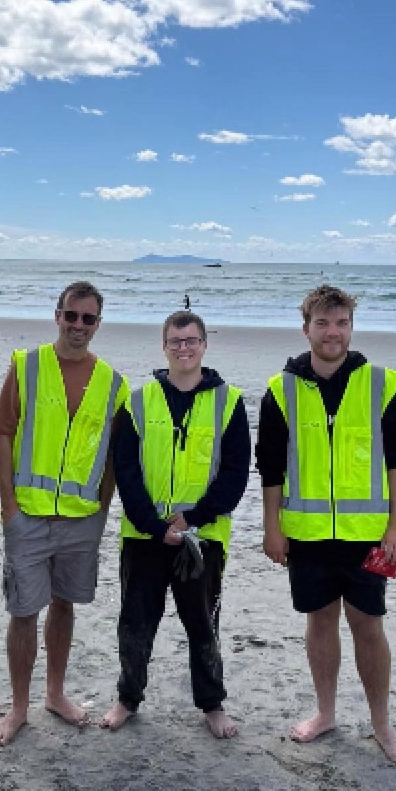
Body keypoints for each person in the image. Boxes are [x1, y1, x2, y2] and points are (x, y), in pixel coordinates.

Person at [257, 283, 396, 760]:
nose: (333, 332)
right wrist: (273, 526)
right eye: (323, 323)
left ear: (352, 327)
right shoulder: (281, 389)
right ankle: (325, 713)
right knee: (320, 621)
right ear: (306, 328)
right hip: (306, 534)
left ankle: (382, 725)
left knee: (369, 625)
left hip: (368, 534)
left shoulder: (383, 384)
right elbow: (270, 466)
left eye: (342, 322)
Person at [0, 281, 129, 746]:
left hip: (81, 520)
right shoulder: (26, 366)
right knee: (24, 610)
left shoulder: (113, 383)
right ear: (58, 315)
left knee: (65, 606)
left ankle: (55, 694)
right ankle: (19, 708)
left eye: (88, 319)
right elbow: (4, 435)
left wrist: (102, 509)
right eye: (72, 316)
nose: (79, 326)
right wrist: (9, 506)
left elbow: (112, 456)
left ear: (98, 324)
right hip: (27, 515)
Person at [101, 310, 250, 738]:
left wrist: (193, 518)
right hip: (144, 535)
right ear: (164, 346)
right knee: (135, 623)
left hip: (203, 537)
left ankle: (212, 705)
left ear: (204, 344)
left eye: (191, 341)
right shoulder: (138, 400)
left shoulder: (230, 402)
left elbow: (235, 474)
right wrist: (153, 524)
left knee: (203, 624)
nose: (183, 348)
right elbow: (125, 470)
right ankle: (128, 698)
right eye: (175, 341)